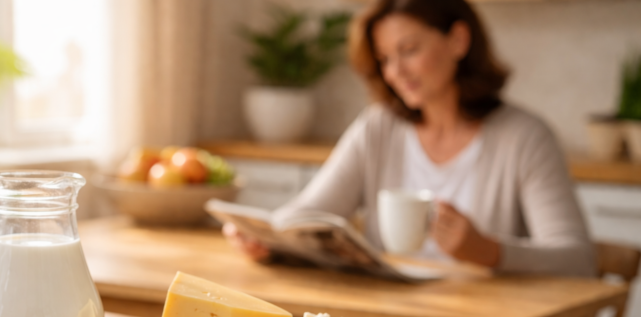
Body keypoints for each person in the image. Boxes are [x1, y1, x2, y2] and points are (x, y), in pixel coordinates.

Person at [226, 0, 595, 277]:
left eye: (409, 50)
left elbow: (579, 260)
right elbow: (310, 212)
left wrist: (489, 251)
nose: (395, 72)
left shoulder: (525, 138)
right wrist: (262, 235)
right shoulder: (378, 127)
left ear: (459, 40)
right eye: (385, 58)